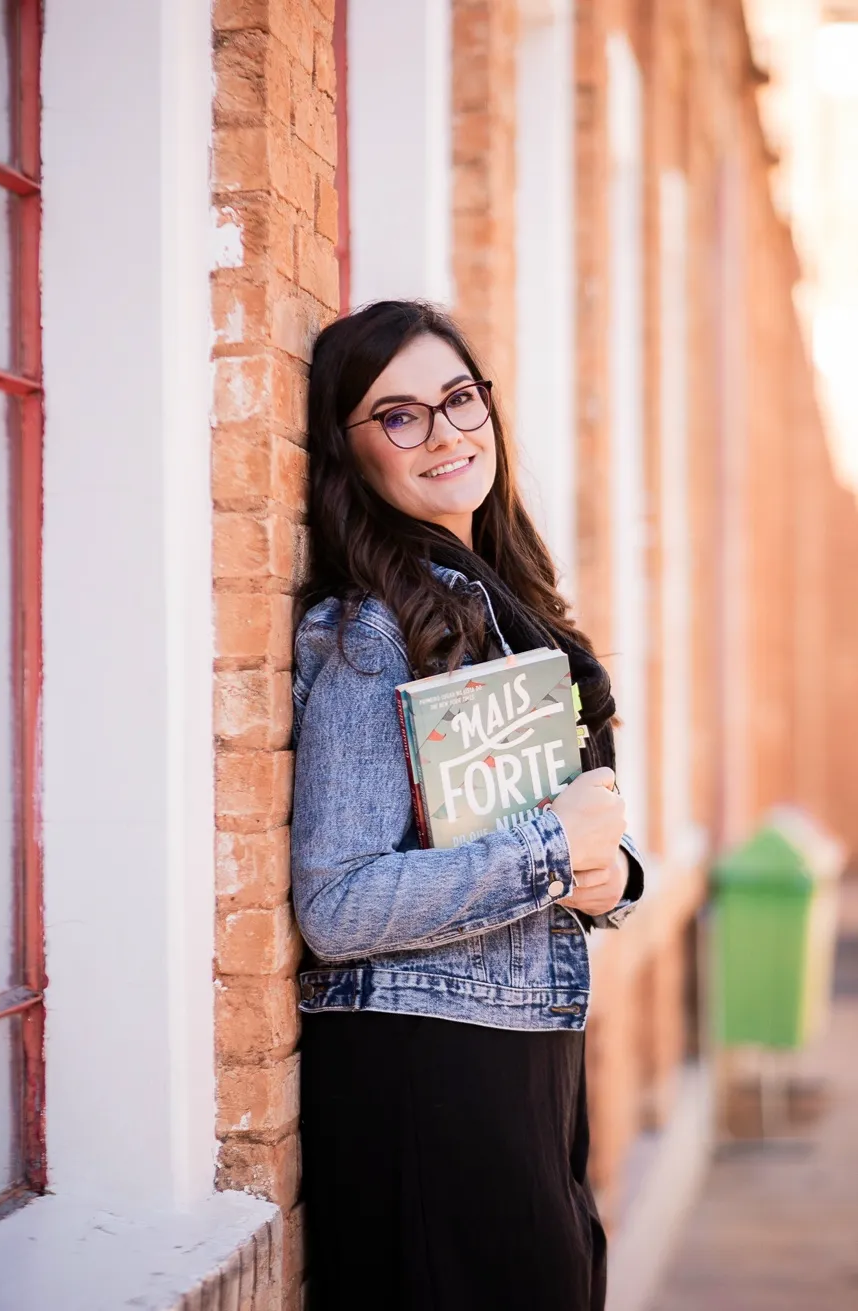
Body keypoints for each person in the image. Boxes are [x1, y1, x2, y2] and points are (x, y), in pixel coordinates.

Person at [291, 300, 644, 1311]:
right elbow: (339, 904)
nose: (445, 433)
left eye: (457, 399)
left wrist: (611, 874)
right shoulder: (368, 631)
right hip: (428, 1082)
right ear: (348, 452)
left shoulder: (499, 599)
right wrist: (547, 852)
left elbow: (574, 834)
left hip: (520, 1061)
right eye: (398, 416)